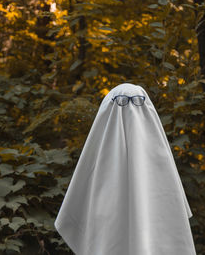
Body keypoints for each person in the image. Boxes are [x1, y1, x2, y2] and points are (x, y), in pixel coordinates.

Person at [55, 83, 196, 255]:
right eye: (121, 101)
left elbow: (171, 204)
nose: (129, 108)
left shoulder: (159, 153)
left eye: (137, 101)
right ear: (108, 107)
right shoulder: (97, 153)